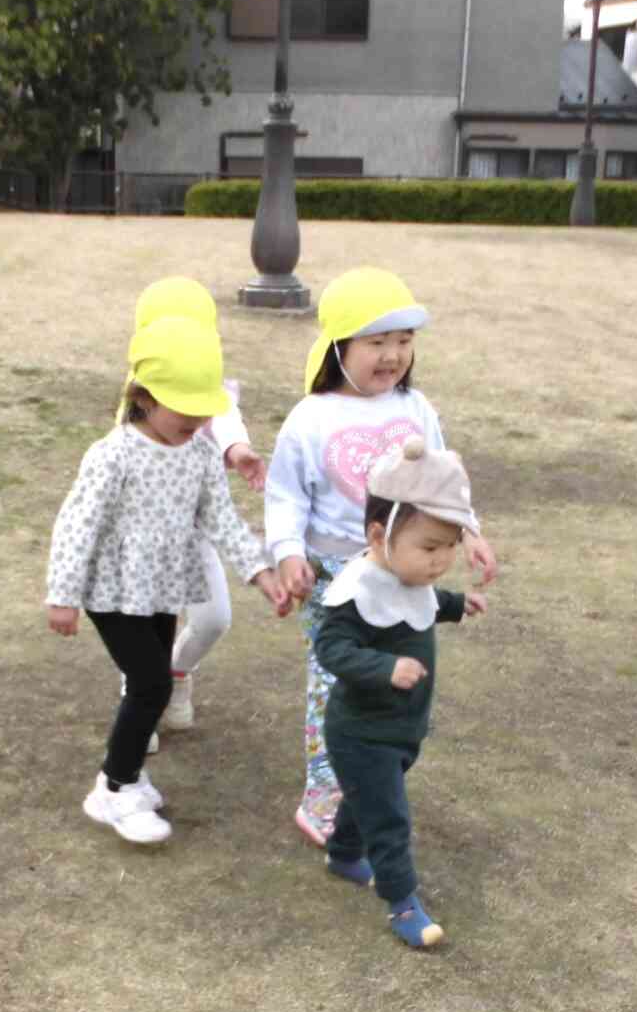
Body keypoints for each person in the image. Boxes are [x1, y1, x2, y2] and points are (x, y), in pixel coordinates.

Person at [264, 267, 497, 848]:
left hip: (404, 573)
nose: (393, 355)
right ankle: (324, 791)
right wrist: (289, 553)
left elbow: (445, 482)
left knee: (395, 679)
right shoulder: (310, 418)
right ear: (340, 345)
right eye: (377, 342)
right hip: (334, 576)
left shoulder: (416, 409)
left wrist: (469, 531)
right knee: (334, 680)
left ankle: (373, 774)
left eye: (404, 340)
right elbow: (285, 497)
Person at [47, 316, 290, 845]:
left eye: (206, 404)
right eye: (184, 403)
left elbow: (221, 518)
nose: (198, 416)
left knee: (148, 684)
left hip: (160, 589)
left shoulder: (202, 452)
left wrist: (261, 572)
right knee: (154, 682)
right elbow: (77, 523)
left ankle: (127, 776)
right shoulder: (113, 453)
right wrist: (62, 595)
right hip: (112, 593)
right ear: (144, 394)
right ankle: (114, 788)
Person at [315, 436, 488, 949]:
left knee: (368, 799)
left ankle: (344, 852)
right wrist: (384, 667)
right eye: (430, 548)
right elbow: (332, 650)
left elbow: (426, 600)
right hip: (361, 731)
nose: (440, 561)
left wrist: (459, 605)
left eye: (449, 548)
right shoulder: (356, 588)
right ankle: (403, 905)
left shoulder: (408, 575)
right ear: (378, 535)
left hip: (403, 726)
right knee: (390, 817)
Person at [117, 278, 268, 751]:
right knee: (143, 628)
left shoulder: (211, 391)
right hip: (141, 543)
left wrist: (237, 448)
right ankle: (138, 699)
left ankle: (177, 672)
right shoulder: (141, 400)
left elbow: (224, 418)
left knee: (214, 619)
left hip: (196, 533)